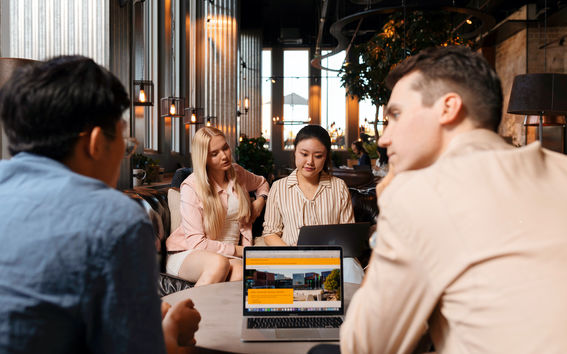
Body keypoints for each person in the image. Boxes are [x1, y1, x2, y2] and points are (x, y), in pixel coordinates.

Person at [340, 46, 567, 353]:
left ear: (448, 108)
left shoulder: (419, 194)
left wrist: (389, 212)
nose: (383, 138)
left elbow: (363, 347)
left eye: (395, 115)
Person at [0, 56, 200, 353]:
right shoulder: (116, 219)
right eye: (125, 141)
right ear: (95, 142)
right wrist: (171, 331)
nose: (126, 152)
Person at [166, 127, 269, 286]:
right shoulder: (191, 186)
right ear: (204, 158)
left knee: (242, 274)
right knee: (218, 263)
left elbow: (262, 183)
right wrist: (239, 250)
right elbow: (197, 243)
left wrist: (260, 201)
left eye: (225, 148)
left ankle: (210, 311)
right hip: (189, 253)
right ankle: (183, 309)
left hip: (229, 257)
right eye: (215, 154)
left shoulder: (238, 173)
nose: (224, 156)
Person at [261, 125, 363, 283]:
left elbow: (347, 233)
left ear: (326, 157)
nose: (310, 162)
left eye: (318, 156)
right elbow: (270, 233)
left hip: (332, 260)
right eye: (304, 154)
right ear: (295, 151)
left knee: (349, 265)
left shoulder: (339, 186)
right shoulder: (279, 187)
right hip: (292, 260)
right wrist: (289, 252)